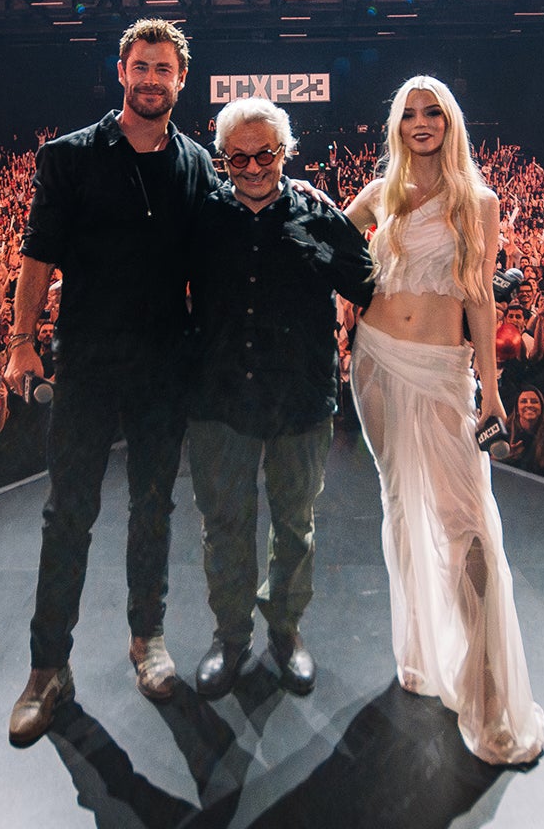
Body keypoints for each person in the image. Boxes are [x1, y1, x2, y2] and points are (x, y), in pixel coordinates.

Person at [2, 19, 218, 747]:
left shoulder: (196, 164)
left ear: (181, 80)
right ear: (120, 72)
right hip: (88, 361)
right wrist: (22, 341)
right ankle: (47, 669)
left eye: (164, 69)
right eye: (140, 66)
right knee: (68, 514)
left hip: (164, 365)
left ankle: (147, 640)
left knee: (154, 507)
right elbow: (38, 255)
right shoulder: (68, 158)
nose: (152, 79)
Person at [343, 76, 544, 767]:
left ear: (451, 122)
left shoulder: (477, 202)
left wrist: (490, 391)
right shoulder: (381, 195)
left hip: (439, 371)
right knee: (401, 506)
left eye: (433, 112)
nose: (421, 122)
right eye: (409, 113)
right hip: (372, 365)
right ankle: (421, 653)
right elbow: (324, 246)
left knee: (468, 524)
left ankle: (489, 693)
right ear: (396, 125)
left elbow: (481, 301)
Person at [185, 98, 374, 700]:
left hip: (300, 399)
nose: (253, 166)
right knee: (225, 525)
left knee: (294, 526)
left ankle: (286, 632)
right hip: (220, 400)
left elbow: (373, 284)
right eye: (238, 156)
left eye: (265, 153)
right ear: (222, 159)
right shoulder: (201, 215)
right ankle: (231, 636)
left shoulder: (320, 215)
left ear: (286, 153)